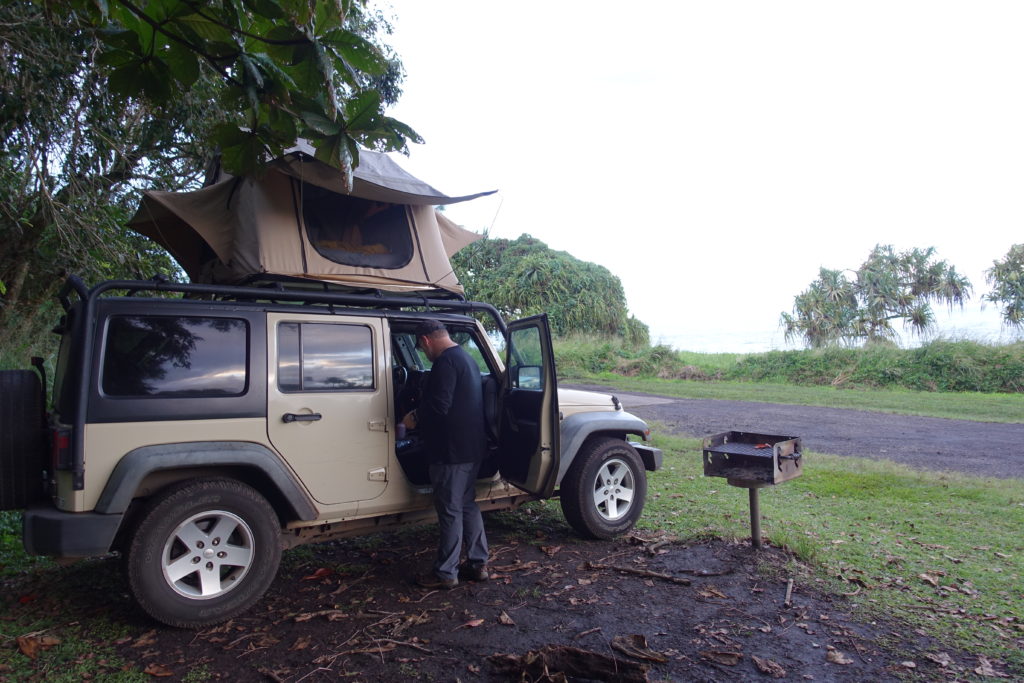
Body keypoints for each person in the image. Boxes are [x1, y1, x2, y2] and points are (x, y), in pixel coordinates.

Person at [402, 319, 489, 589]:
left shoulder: (444, 363)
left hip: (450, 452)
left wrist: (413, 418)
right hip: (471, 448)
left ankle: (445, 573)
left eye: (421, 346)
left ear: (426, 340)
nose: (424, 353)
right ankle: (478, 563)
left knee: (450, 510)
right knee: (466, 505)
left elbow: (439, 406)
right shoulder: (466, 359)